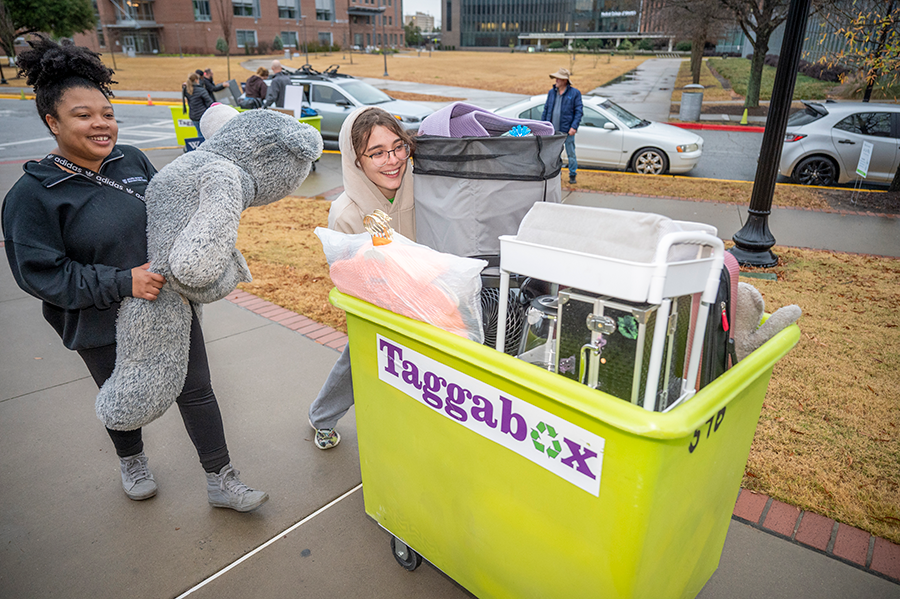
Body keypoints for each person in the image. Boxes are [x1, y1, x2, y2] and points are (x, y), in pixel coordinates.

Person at [2, 35, 268, 512]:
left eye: (106, 113)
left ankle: (220, 478)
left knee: (197, 389)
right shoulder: (32, 196)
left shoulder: (133, 161)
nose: (101, 124)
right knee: (121, 394)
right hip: (99, 320)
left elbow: (169, 216)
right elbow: (41, 275)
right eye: (83, 115)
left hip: (166, 304)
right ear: (52, 122)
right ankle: (132, 459)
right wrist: (123, 281)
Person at [308, 106, 416, 449]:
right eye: (377, 153)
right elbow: (347, 277)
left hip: (425, 297)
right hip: (378, 307)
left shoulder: (423, 187)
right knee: (359, 360)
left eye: (398, 147)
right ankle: (322, 416)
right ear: (357, 160)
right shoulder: (346, 214)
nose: (393, 160)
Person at [541, 67, 583, 185]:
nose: (556, 81)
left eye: (558, 78)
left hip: (567, 131)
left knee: (571, 153)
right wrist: (543, 125)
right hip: (553, 131)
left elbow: (578, 111)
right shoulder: (551, 92)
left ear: (565, 80)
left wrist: (574, 127)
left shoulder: (574, 93)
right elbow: (546, 109)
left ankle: (572, 174)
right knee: (554, 154)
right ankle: (556, 175)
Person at [183, 72, 213, 140]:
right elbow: (209, 102)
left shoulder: (187, 90)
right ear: (196, 80)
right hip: (202, 114)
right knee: (205, 134)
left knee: (199, 133)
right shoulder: (201, 90)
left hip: (193, 115)